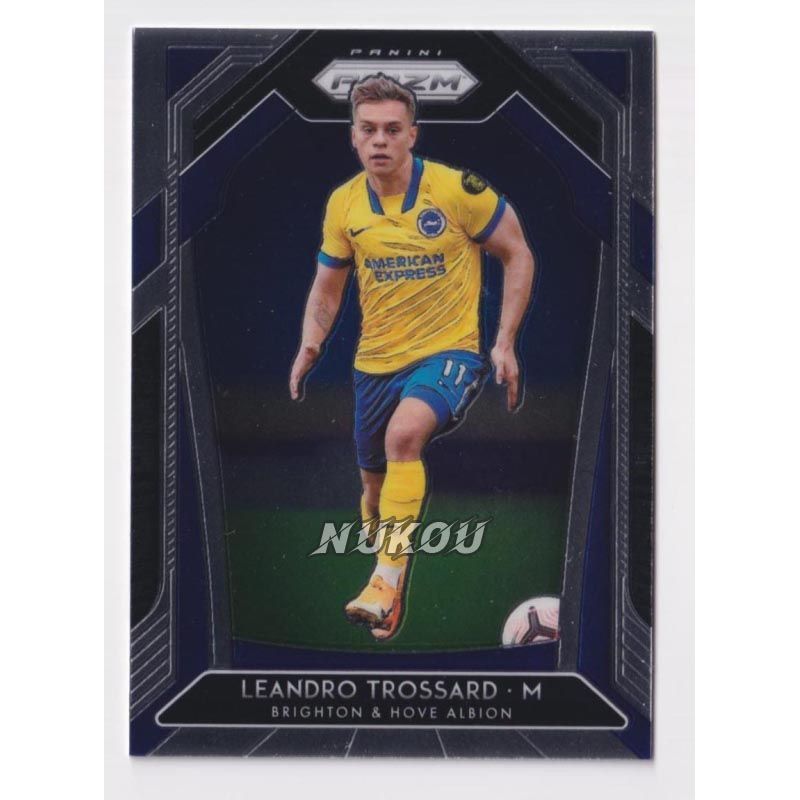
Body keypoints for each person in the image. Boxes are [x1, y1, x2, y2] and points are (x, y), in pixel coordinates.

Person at [289, 74, 535, 640]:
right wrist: (310, 343)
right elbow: (328, 287)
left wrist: (504, 341)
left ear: (412, 135)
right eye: (369, 129)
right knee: (374, 496)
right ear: (354, 136)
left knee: (404, 438)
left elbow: (517, 252)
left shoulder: (456, 191)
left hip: (448, 353)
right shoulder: (344, 203)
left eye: (392, 129)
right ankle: (391, 581)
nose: (380, 140)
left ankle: (383, 580)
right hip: (374, 365)